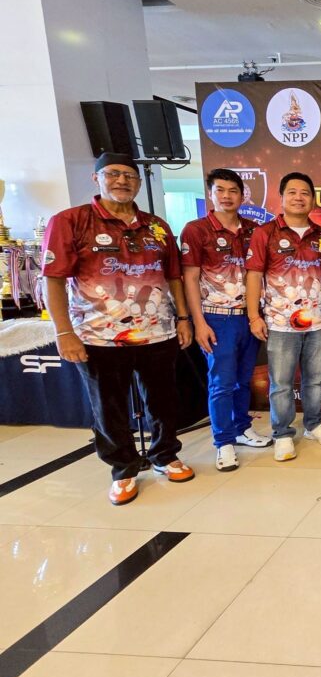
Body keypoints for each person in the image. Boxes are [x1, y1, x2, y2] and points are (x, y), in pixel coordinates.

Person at [43, 152, 195, 505]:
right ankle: (123, 469)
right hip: (99, 336)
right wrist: (64, 332)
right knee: (108, 406)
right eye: (113, 174)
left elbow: (173, 277)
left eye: (129, 175)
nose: (122, 181)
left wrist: (182, 318)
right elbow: (53, 279)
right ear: (96, 178)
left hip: (157, 331)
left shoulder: (156, 226)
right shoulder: (71, 221)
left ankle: (165, 455)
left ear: (139, 182)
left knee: (163, 400)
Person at [181, 169, 270, 473]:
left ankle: (242, 428)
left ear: (243, 195)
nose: (227, 196)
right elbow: (190, 278)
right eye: (220, 190)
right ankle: (223, 441)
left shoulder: (255, 230)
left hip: (250, 317)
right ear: (211, 194)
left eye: (233, 191)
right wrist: (198, 322)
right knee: (221, 382)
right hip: (217, 318)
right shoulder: (197, 230)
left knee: (244, 379)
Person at [245, 172, 321, 462]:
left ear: (313, 199)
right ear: (282, 197)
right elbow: (253, 275)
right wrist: (253, 316)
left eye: (305, 193)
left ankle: (313, 424)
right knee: (281, 383)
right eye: (293, 192)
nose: (299, 198)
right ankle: (282, 433)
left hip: (318, 321)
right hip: (280, 322)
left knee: (315, 379)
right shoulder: (265, 233)